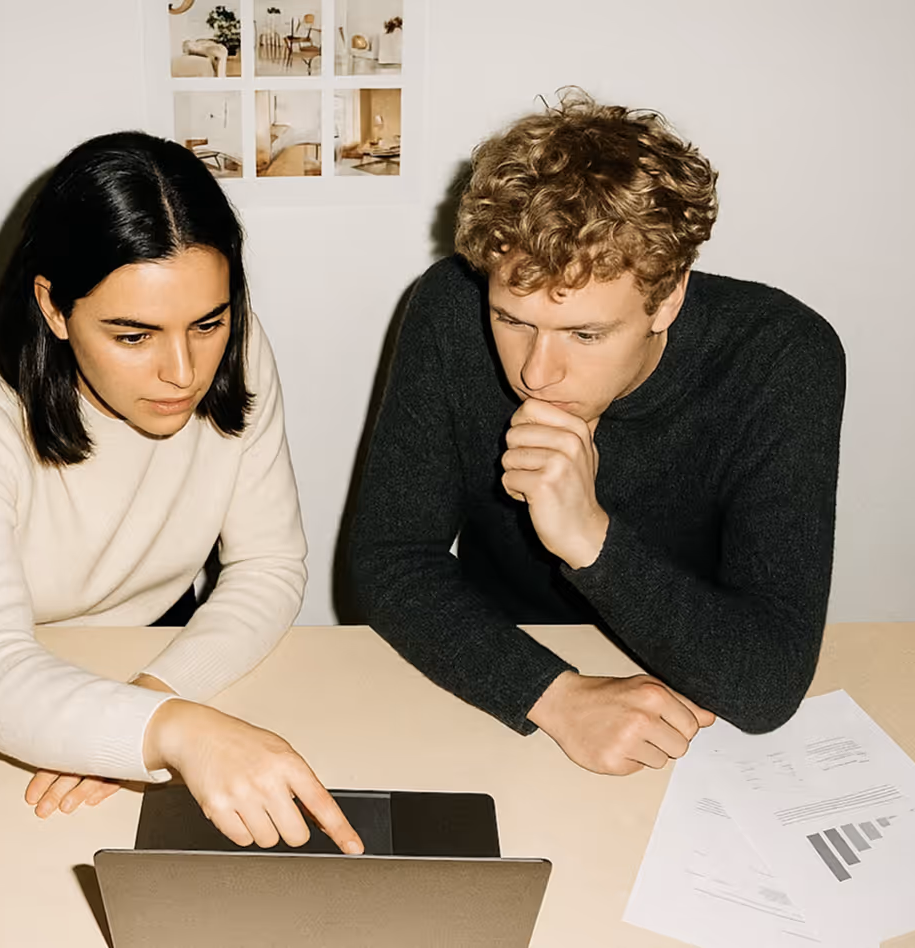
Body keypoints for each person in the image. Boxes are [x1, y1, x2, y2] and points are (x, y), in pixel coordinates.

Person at [347, 90, 845, 777]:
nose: (537, 372)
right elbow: (391, 560)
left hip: (693, 690)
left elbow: (763, 686)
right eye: (513, 320)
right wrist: (555, 696)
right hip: (499, 667)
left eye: (584, 333)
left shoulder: (780, 355)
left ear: (667, 298)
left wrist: (588, 537)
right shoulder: (449, 307)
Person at [0, 131, 361, 854]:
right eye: (133, 336)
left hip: (155, 639)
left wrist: (151, 700)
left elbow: (269, 567)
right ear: (53, 308)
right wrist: (172, 733)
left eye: (208, 322)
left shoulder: (238, 348)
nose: (183, 371)